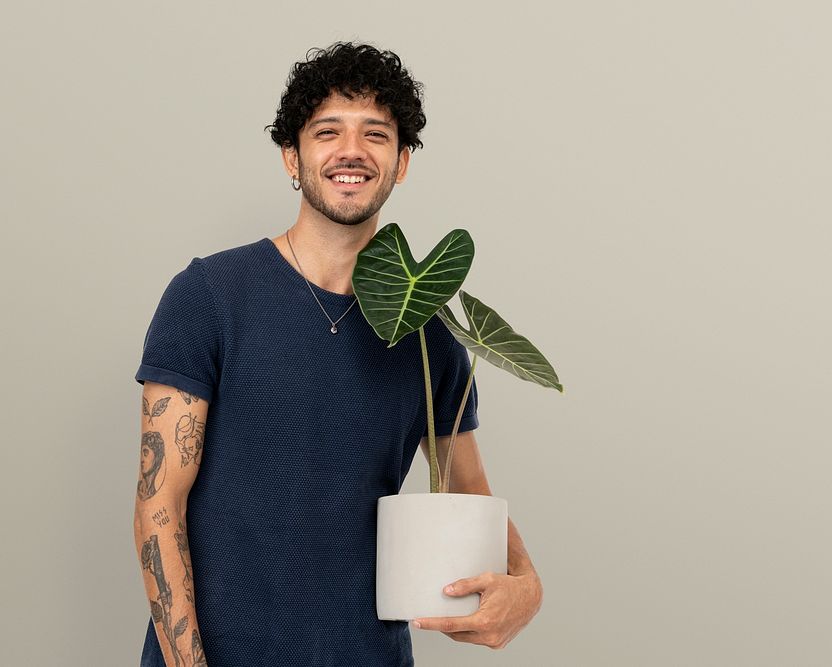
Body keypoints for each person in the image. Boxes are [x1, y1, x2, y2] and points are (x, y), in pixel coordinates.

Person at [132, 41, 543, 667]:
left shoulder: (430, 339)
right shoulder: (210, 295)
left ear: (401, 162)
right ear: (291, 157)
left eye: (375, 134)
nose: (351, 150)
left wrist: (528, 587)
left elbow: (471, 494)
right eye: (328, 131)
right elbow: (160, 506)